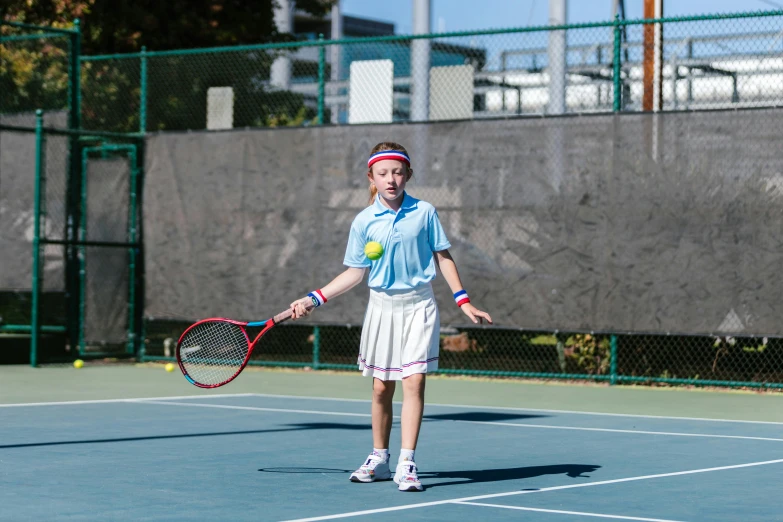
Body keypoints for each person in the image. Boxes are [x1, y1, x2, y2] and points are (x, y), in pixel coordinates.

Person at [289, 141, 492, 492]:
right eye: (383, 173)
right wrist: (314, 298)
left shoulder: (425, 212)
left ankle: (407, 463)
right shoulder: (363, 221)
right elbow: (355, 273)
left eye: (397, 172)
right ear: (371, 177)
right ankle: (379, 459)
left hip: (419, 306)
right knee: (382, 387)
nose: (391, 179)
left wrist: (463, 300)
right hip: (381, 307)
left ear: (408, 174)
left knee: (414, 381)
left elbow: (443, 257)